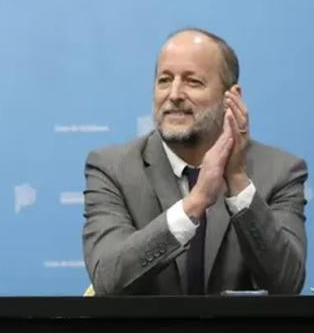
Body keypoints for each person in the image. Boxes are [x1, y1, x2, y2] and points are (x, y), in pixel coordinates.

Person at [82, 28, 306, 295]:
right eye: (164, 80)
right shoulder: (112, 168)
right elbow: (108, 279)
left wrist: (237, 182)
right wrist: (195, 202)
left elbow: (286, 285)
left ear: (230, 97)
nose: (174, 94)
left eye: (192, 82)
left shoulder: (280, 171)